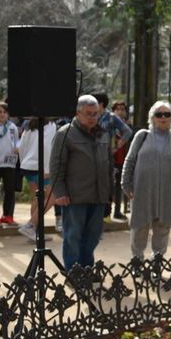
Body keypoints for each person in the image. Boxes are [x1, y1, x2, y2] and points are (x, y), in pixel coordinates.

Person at [49, 95, 113, 270]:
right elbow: (56, 166)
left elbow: (109, 166)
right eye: (88, 114)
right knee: (73, 235)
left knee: (93, 236)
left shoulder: (103, 134)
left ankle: (87, 268)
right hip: (74, 196)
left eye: (95, 114)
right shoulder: (65, 134)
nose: (93, 117)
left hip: (98, 195)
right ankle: (73, 270)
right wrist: (59, 192)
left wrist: (109, 195)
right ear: (78, 113)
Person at [121, 100, 171, 262]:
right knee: (139, 227)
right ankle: (137, 259)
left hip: (167, 192)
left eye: (167, 114)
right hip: (143, 190)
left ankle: (157, 261)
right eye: (159, 114)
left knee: (162, 228)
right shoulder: (142, 136)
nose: (163, 117)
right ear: (152, 117)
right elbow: (129, 160)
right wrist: (125, 183)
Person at [17, 117, 57, 242]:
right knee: (52, 196)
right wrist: (47, 169)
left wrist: (23, 162)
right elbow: (47, 147)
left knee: (37, 198)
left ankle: (35, 232)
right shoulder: (51, 125)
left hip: (27, 166)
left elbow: (21, 146)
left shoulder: (29, 126)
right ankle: (31, 226)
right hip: (41, 167)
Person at [107, 99, 133, 220]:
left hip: (124, 160)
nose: (120, 112)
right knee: (109, 187)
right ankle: (107, 212)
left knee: (121, 187)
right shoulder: (110, 125)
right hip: (112, 160)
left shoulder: (128, 127)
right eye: (118, 109)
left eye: (123, 109)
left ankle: (118, 211)